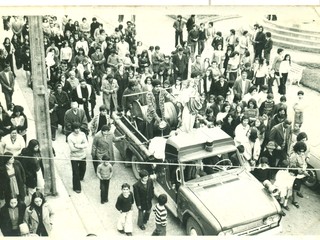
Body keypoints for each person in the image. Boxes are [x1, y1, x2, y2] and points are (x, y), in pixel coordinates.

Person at [67, 122, 88, 193]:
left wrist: (77, 145)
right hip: (74, 157)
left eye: (78, 128)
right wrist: (82, 146)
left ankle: (80, 177)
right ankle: (77, 187)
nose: (77, 130)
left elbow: (86, 144)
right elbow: (72, 149)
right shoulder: (70, 137)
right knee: (75, 173)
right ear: (73, 129)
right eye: (76, 129)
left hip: (82, 155)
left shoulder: (83, 134)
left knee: (83, 168)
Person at [289, 141, 309, 208]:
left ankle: (298, 192)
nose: (301, 153)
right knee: (295, 187)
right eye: (300, 151)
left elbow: (304, 163)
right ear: (296, 150)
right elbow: (292, 167)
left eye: (303, 151)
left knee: (299, 184)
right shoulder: (293, 156)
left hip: (302, 173)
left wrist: (304, 168)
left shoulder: (302, 155)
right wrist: (303, 171)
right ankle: (294, 201)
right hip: (295, 174)